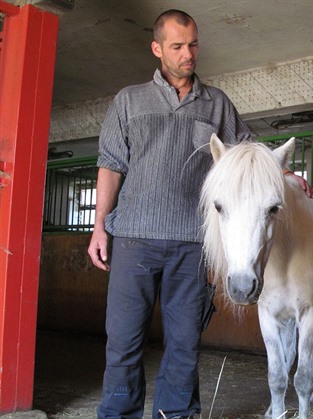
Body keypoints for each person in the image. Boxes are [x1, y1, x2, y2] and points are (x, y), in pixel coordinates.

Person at [86, 9, 253, 419]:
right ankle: (119, 414)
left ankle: (175, 415)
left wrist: (284, 173)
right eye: (177, 46)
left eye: (193, 44)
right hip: (133, 238)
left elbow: (246, 152)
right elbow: (110, 165)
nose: (188, 53)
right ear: (157, 48)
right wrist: (99, 227)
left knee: (184, 342)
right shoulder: (129, 100)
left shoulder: (217, 104)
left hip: (193, 242)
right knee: (123, 339)